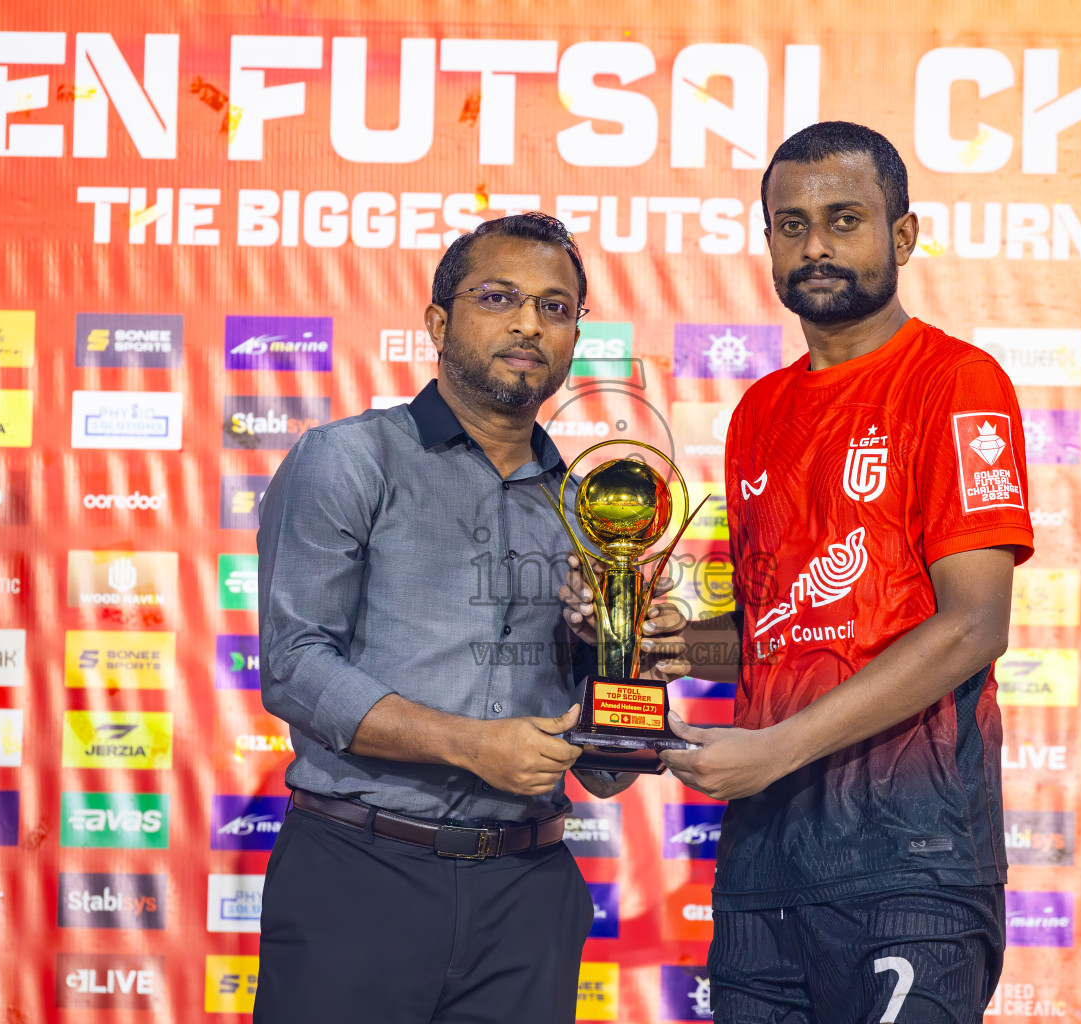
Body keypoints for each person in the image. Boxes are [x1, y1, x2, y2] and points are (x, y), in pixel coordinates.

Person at [252, 211, 682, 1024]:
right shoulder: (349, 458)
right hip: (358, 876)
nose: (529, 323)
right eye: (498, 297)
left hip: (528, 896)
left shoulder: (592, 512)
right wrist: (471, 744)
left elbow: (606, 772)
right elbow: (295, 667)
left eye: (555, 307)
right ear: (438, 322)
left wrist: (626, 667)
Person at [665, 121, 1035, 1023]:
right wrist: (675, 646)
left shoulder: (956, 381)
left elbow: (974, 624)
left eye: (844, 219)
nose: (816, 247)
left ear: (902, 236)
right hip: (764, 861)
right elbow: (783, 632)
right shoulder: (759, 411)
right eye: (791, 225)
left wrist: (775, 750)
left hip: (910, 856)